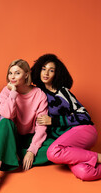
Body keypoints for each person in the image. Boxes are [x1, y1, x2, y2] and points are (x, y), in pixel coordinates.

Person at [0, 59, 54, 193]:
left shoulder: (39, 94)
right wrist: (12, 92)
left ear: (26, 75)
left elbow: (41, 126)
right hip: (11, 135)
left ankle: (0, 152)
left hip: (29, 138)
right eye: (10, 73)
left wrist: (32, 151)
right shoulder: (6, 91)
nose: (12, 77)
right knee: (5, 122)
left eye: (17, 73)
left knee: (54, 148)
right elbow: (7, 115)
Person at [31, 53, 101, 181]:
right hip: (66, 143)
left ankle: (98, 157)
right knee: (85, 173)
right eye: (43, 68)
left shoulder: (63, 92)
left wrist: (53, 121)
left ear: (56, 74)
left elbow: (84, 116)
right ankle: (93, 157)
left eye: (51, 70)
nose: (46, 73)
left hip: (84, 131)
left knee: (53, 152)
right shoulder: (37, 93)